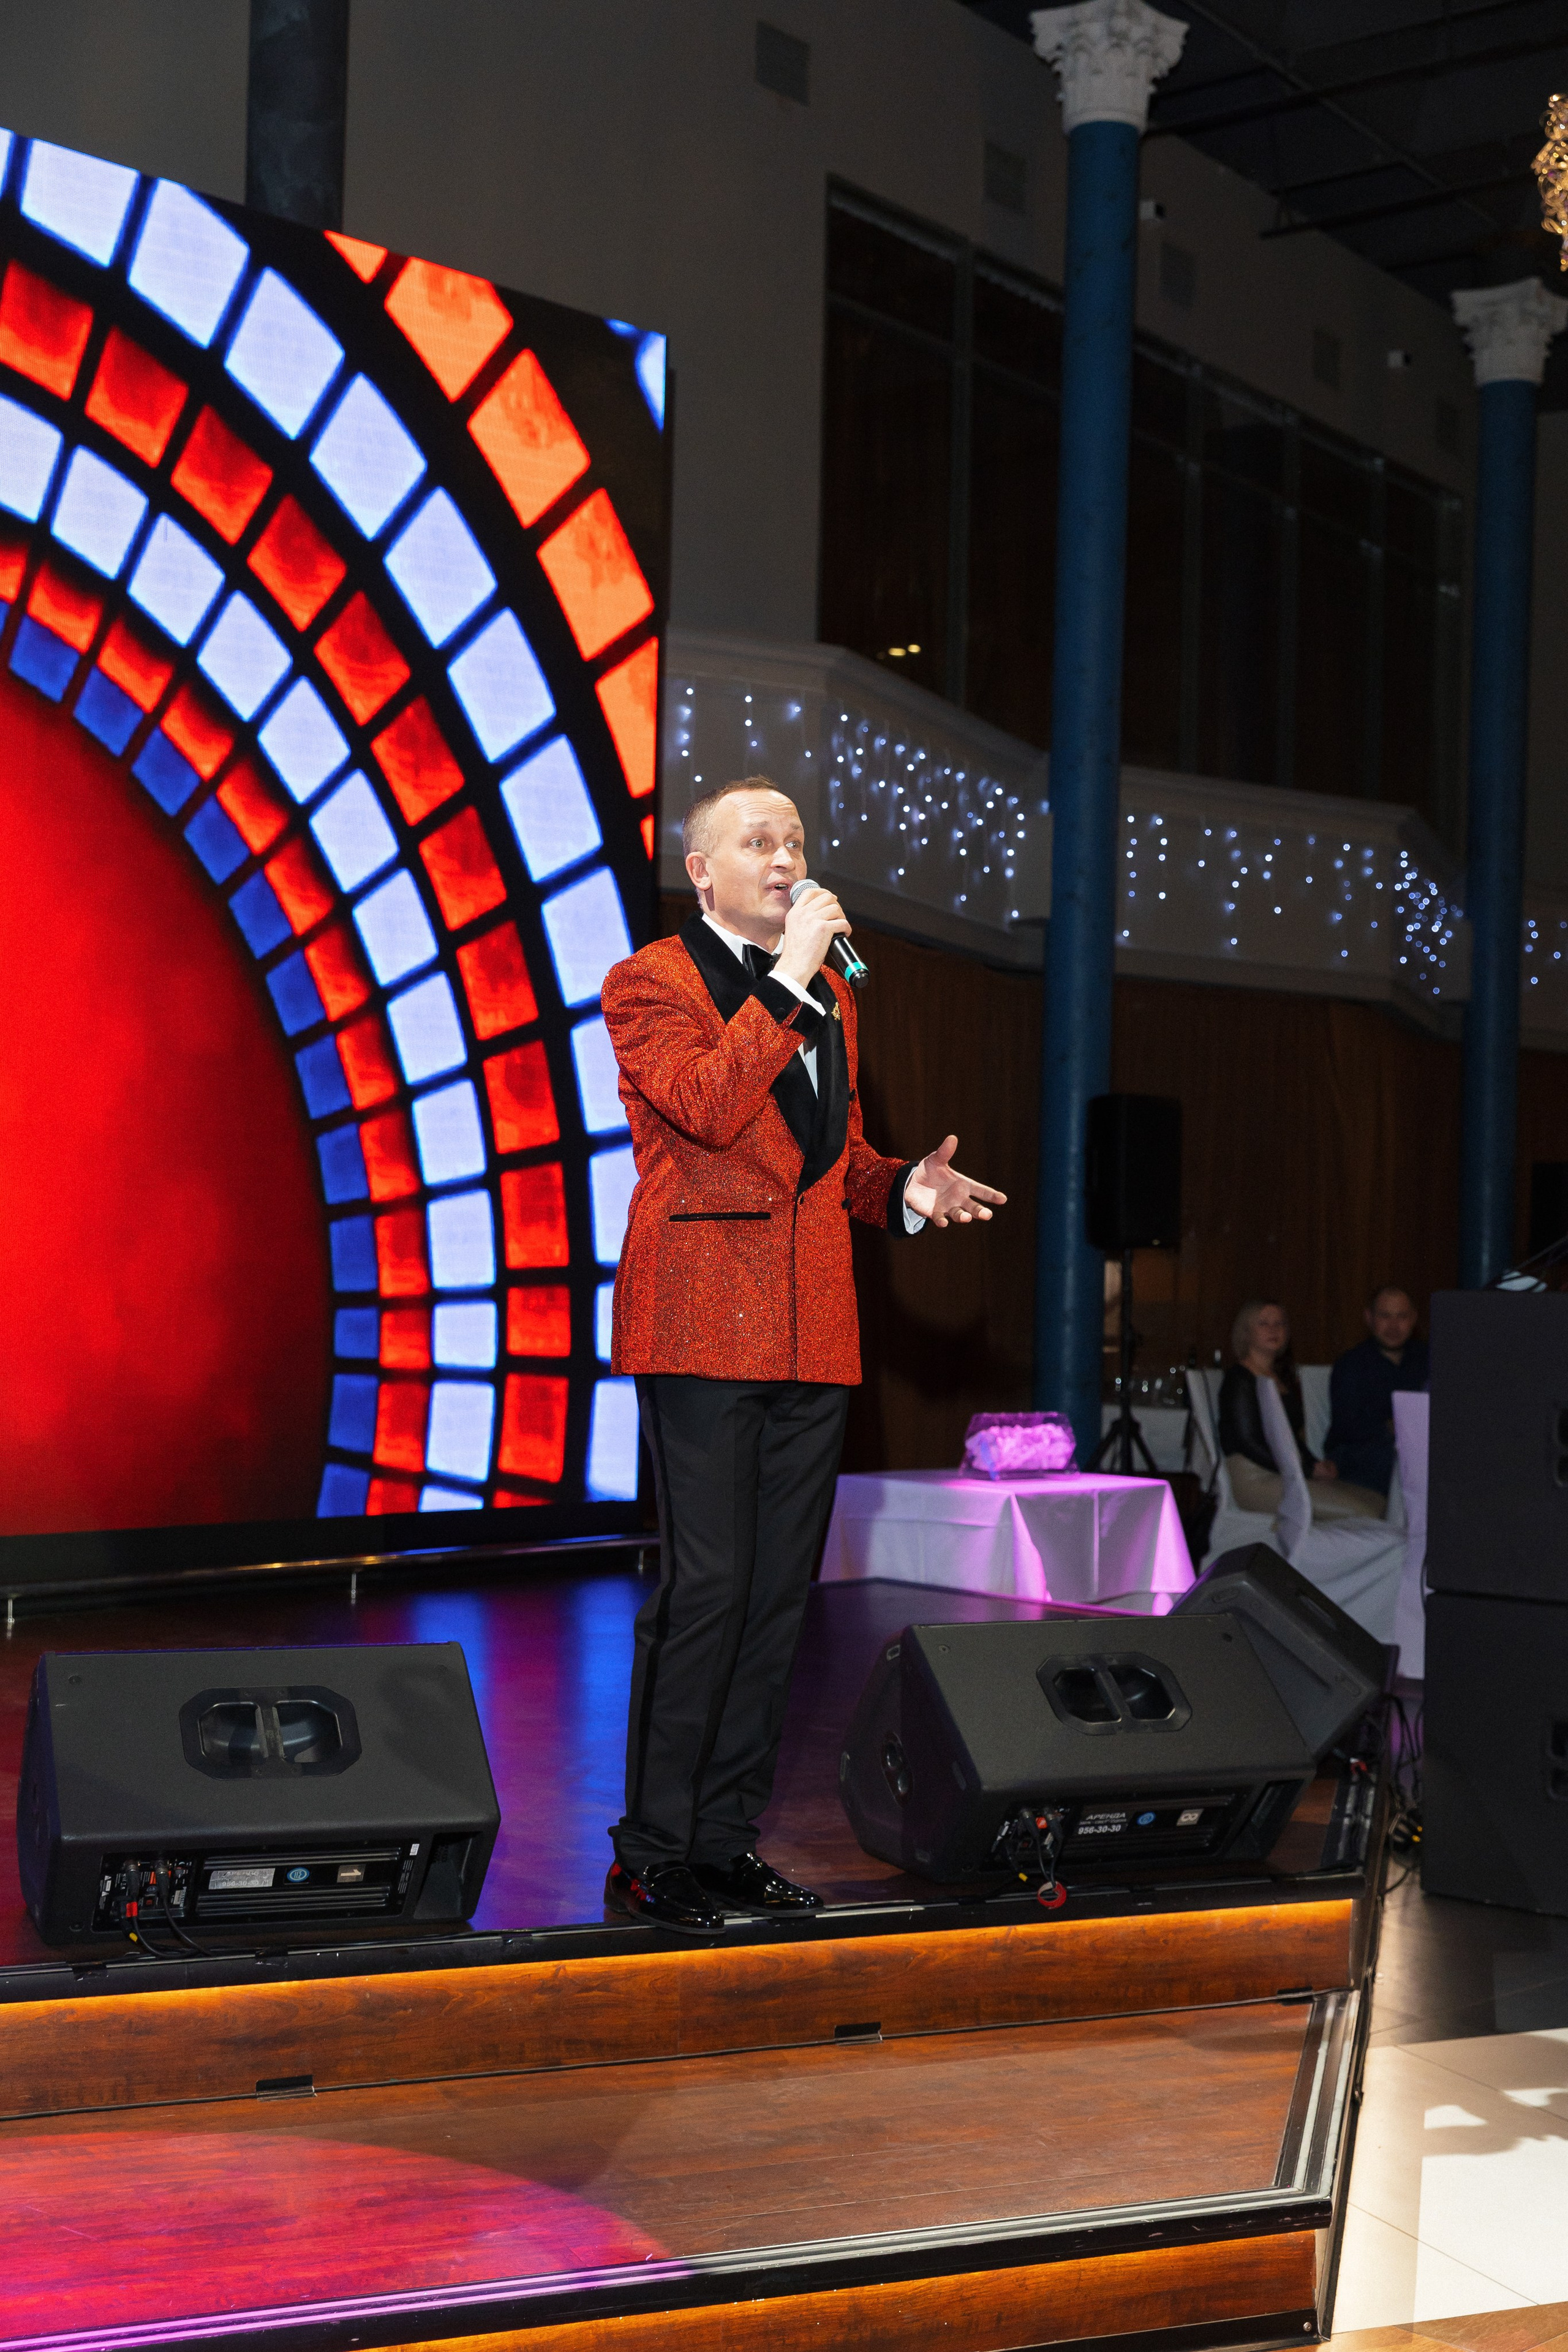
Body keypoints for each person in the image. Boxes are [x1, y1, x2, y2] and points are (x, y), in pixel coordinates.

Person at [599, 775, 1005, 1935]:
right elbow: (710, 1108)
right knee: (710, 1589)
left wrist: (907, 1190)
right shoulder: (653, 981)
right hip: (702, 1318)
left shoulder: (831, 990)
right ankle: (654, 1850)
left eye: (799, 840)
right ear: (704, 870)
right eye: (759, 840)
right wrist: (787, 981)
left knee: (777, 1601)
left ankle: (724, 1844)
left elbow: (836, 1159)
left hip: (814, 1329)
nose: (787, 857)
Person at [1218, 1300, 1384, 1520]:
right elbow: (1248, 1442)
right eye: (1264, 1324)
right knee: (1364, 1512)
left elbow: (1290, 1437)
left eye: (1279, 1324)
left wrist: (1315, 1464)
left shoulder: (1278, 1377)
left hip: (1284, 1471)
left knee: (1377, 1501)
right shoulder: (1239, 1379)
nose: (1273, 1329)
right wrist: (1306, 1470)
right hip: (1255, 1477)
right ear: (1246, 1331)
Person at [1324, 1286, 1428, 1498]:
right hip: (1361, 1456)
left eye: (1402, 1317)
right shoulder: (1351, 1364)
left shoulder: (1428, 1359)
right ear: (1369, 1318)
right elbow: (1347, 1427)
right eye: (1385, 1316)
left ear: (1414, 1319)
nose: (1394, 1326)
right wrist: (1394, 1427)